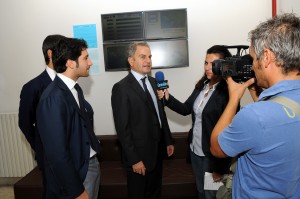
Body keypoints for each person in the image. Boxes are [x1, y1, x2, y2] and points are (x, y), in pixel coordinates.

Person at [210, 13, 300, 198]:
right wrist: (255, 91)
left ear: (266, 57)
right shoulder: (269, 110)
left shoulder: (255, 116)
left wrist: (234, 97)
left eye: (253, 59)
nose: (252, 67)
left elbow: (216, 148)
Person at [158, 45, 234, 199]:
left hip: (212, 157)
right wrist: (168, 98)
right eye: (206, 63)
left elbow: (228, 132)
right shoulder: (202, 86)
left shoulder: (228, 93)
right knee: (200, 191)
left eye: (213, 64)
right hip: (195, 151)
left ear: (224, 66)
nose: (208, 67)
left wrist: (220, 167)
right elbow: (186, 108)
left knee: (211, 195)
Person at [36, 37, 101, 199]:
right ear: (70, 63)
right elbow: (57, 153)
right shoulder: (53, 98)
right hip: (77, 174)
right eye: (85, 58)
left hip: (87, 165)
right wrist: (77, 191)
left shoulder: (74, 88)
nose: (90, 62)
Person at [111, 41, 174, 199]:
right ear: (131, 61)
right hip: (138, 157)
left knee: (155, 193)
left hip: (157, 152)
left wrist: (168, 140)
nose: (148, 61)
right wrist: (134, 160)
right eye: (142, 57)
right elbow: (122, 129)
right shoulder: (121, 88)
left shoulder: (154, 83)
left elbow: (161, 114)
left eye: (150, 57)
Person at [18, 34, 66, 194]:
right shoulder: (32, 87)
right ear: (51, 54)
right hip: (49, 158)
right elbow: (25, 123)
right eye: (63, 50)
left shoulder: (70, 84)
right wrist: (41, 147)